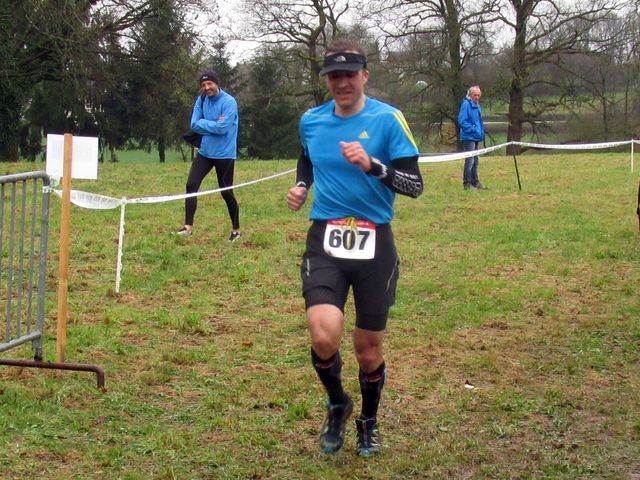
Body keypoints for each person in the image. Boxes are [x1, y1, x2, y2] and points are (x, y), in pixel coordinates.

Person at [286, 39, 424, 456]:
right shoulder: (312, 120)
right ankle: (337, 403)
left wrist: (372, 165)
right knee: (322, 334)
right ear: (327, 80)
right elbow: (308, 157)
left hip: (374, 243)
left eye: (349, 74)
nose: (342, 83)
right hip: (325, 237)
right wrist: (302, 184)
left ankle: (368, 420)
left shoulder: (388, 119)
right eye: (334, 76)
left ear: (365, 75)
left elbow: (414, 185)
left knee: (368, 351)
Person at [174, 70, 241, 241]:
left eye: (209, 83)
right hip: (205, 152)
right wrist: (211, 124)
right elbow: (194, 124)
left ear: (216, 83)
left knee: (226, 192)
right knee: (191, 185)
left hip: (225, 154)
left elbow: (223, 128)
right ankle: (187, 227)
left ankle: (236, 230)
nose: (206, 87)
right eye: (203, 85)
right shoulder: (202, 99)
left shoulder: (229, 102)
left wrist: (204, 124)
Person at [458, 85, 487, 190]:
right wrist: (472, 129)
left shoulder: (477, 106)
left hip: (476, 137)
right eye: (475, 95)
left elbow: (479, 122)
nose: (477, 97)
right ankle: (467, 183)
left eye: (479, 95)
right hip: (468, 137)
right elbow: (462, 121)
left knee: (476, 161)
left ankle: (475, 182)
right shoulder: (466, 104)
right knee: (470, 161)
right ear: (470, 95)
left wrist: (480, 133)